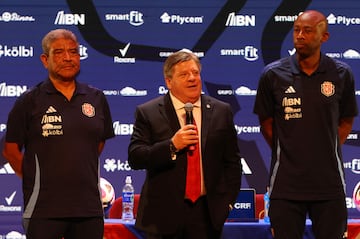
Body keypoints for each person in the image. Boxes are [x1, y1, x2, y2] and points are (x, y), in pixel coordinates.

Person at [253, 10, 358, 239]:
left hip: (329, 185)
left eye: (307, 31)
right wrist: (290, 148)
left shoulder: (341, 74)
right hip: (286, 185)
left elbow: (347, 119)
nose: (299, 35)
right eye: (297, 30)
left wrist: (325, 147)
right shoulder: (272, 74)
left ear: (324, 37)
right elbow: (266, 122)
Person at [2, 29, 115, 239]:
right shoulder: (29, 101)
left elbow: (97, 143)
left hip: (89, 209)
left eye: (73, 52)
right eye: (59, 52)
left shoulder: (97, 98)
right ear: (45, 60)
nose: (68, 58)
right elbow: (10, 151)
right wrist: (36, 180)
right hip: (44, 210)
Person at [128, 49, 242, 239]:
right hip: (163, 217)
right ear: (169, 82)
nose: (192, 78)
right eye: (184, 74)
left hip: (207, 215)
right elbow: (136, 156)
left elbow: (232, 162)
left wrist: (226, 203)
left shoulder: (221, 111)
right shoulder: (148, 112)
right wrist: (171, 146)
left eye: (195, 73)